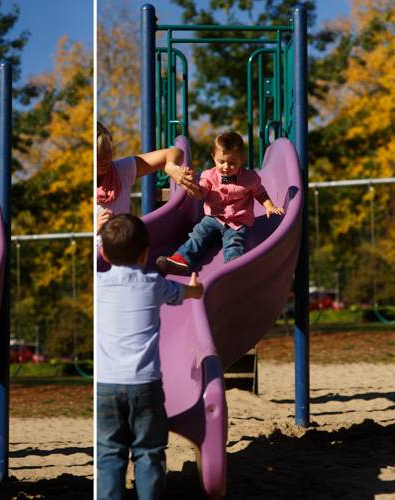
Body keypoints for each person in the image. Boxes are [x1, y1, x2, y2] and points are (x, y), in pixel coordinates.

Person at [96, 214, 203, 500]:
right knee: (149, 452)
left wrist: (98, 233)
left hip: (104, 387)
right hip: (146, 386)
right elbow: (190, 292)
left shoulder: (97, 285)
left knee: (109, 455)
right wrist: (197, 287)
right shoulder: (154, 284)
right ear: (145, 254)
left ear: (104, 252)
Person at [155, 131, 285, 275]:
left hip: (238, 221)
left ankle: (233, 267)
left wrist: (269, 206)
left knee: (235, 242)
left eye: (232, 163)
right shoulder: (209, 176)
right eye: (221, 162)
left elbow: (260, 193)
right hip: (213, 218)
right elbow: (199, 195)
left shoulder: (251, 178)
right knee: (197, 235)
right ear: (213, 157)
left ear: (242, 159)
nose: (226, 167)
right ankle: (182, 260)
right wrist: (191, 185)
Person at [96, 121, 199, 245]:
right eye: (99, 155)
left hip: (121, 253)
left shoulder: (121, 170)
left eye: (108, 150)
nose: (106, 158)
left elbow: (176, 152)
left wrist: (170, 166)